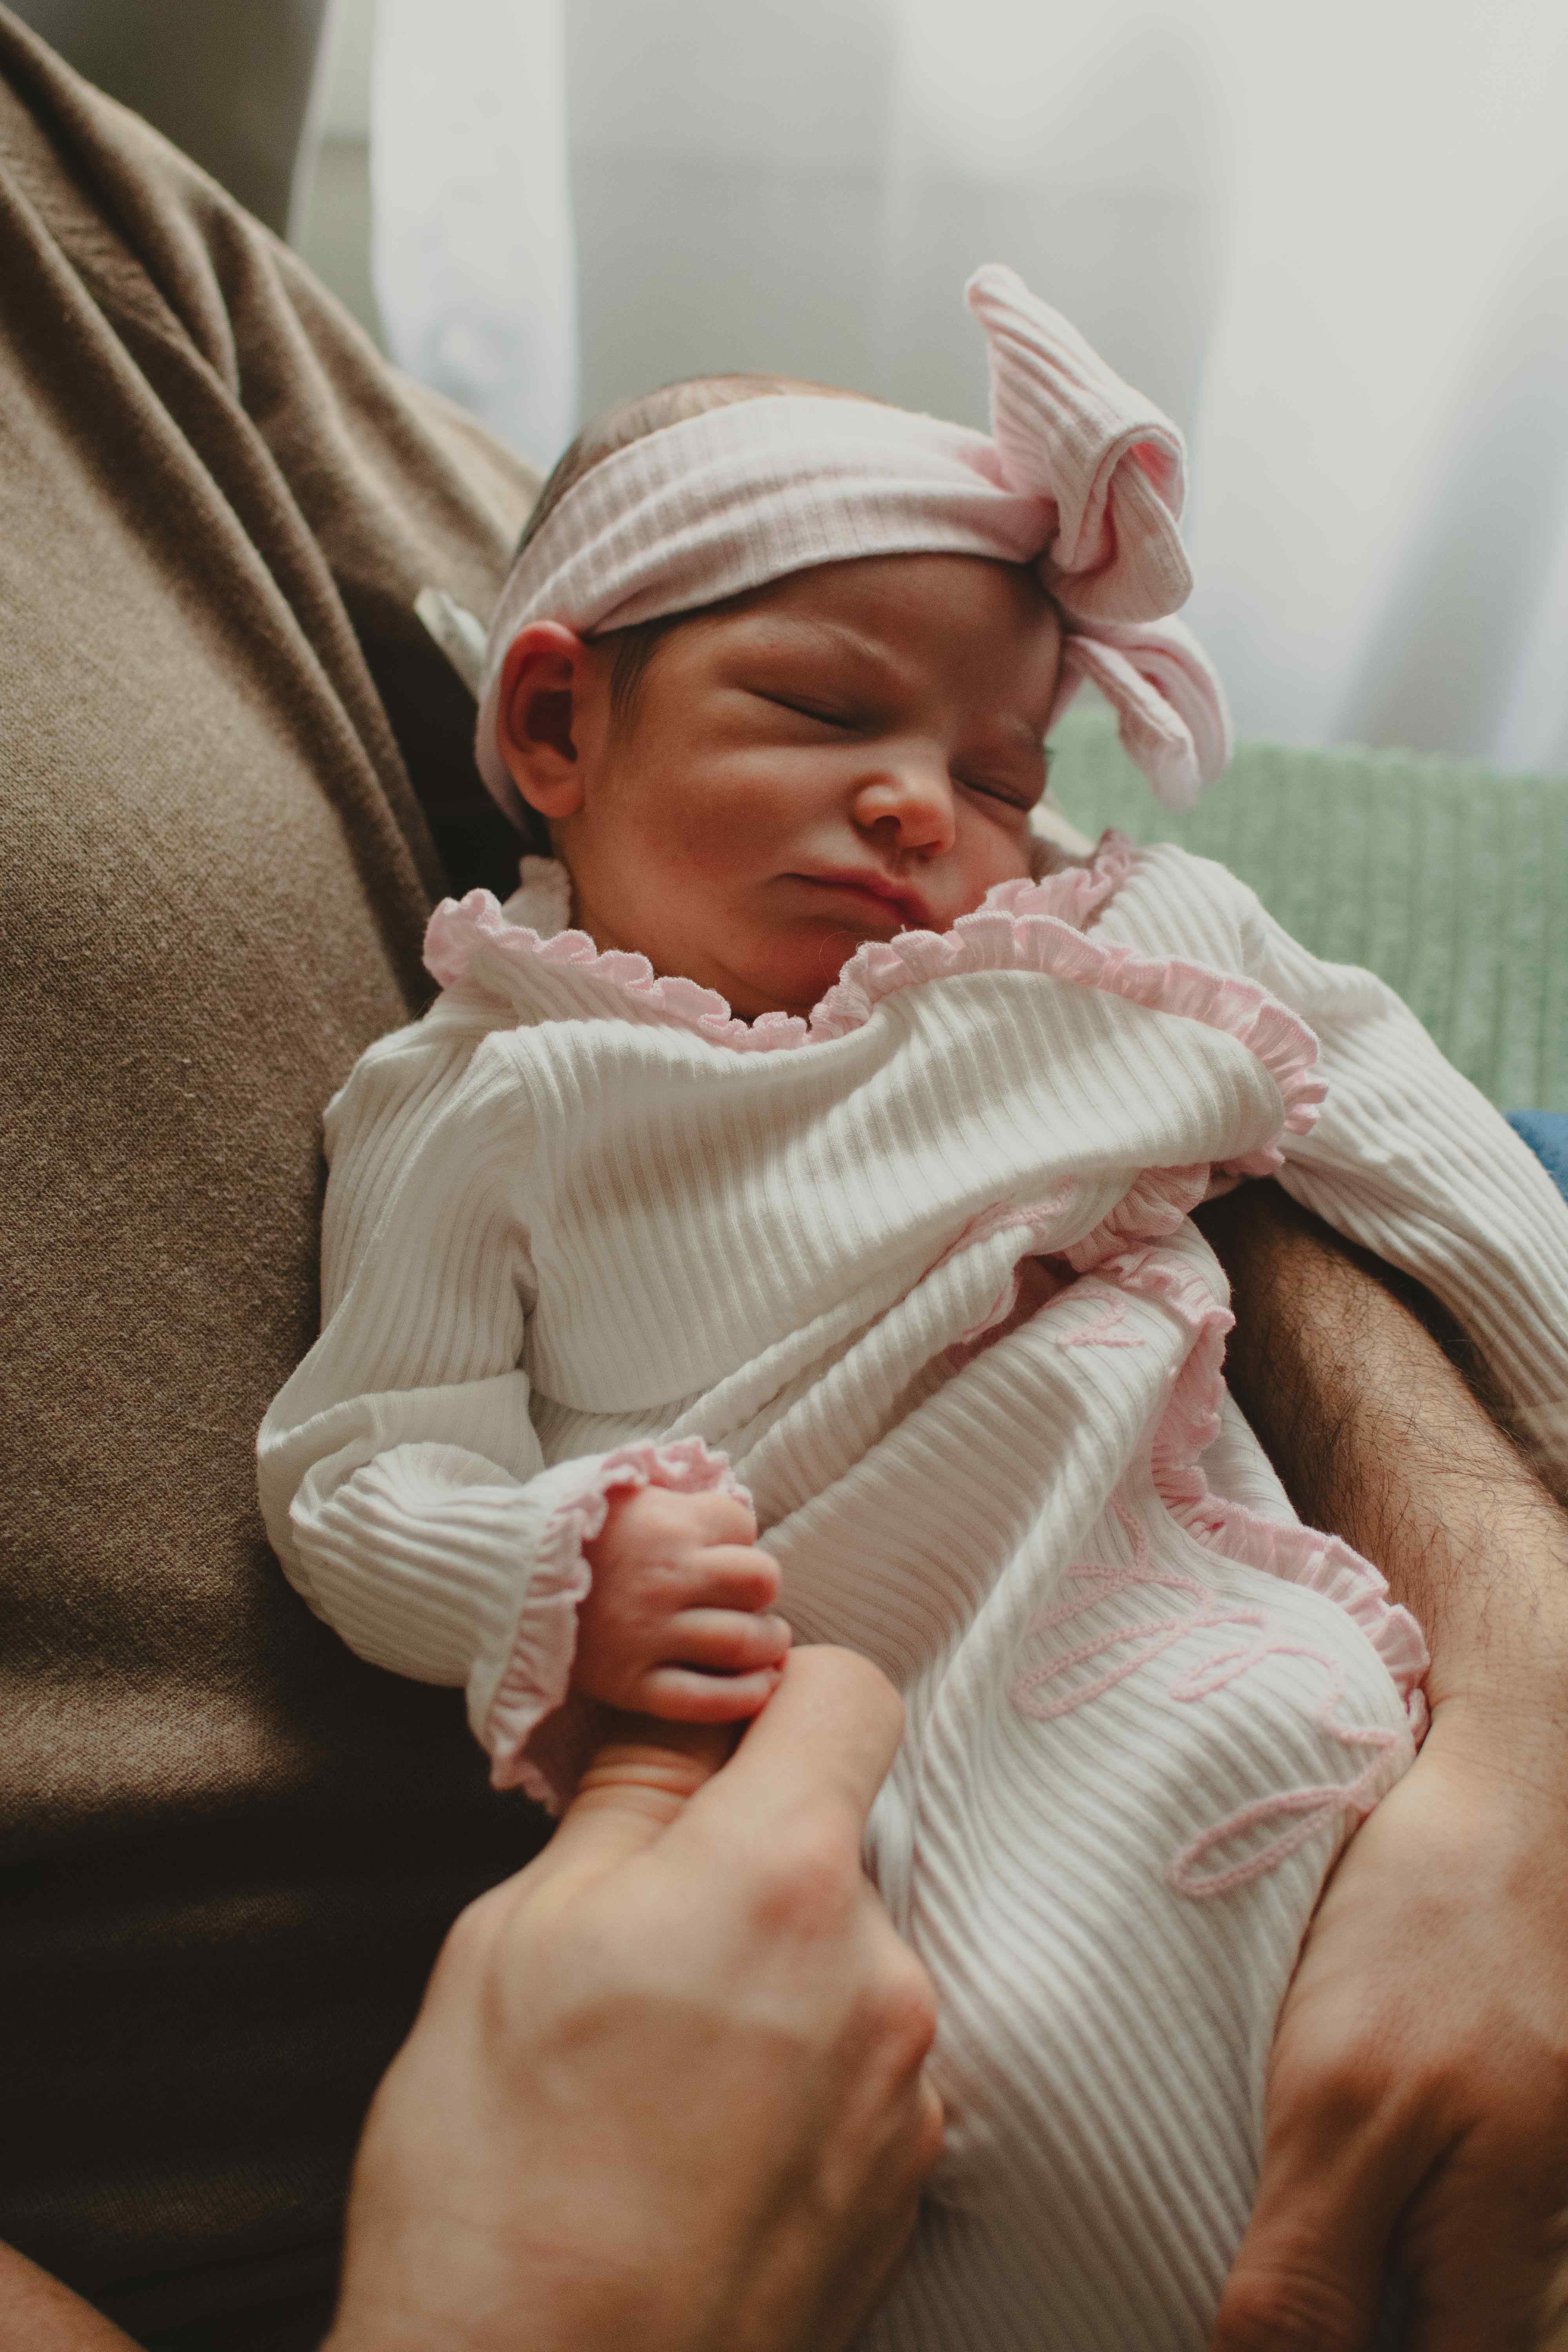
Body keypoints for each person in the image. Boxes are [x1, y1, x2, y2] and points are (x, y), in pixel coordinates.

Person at [3, 10, 1566, 2346]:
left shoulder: (1095, 953)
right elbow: (354, 1461)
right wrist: (547, 1574)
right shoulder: (494, 1100)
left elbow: (1405, 1130)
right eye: (831, 717)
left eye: (1001, 765)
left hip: (1293, 1686)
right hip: (890, 1881)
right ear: (550, 728)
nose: (932, 807)